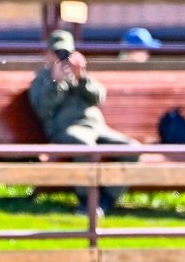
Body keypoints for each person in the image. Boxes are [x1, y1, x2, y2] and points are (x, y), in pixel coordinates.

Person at [28, 30, 137, 216]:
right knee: (85, 147)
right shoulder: (42, 79)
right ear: (47, 54)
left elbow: (98, 97)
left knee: (132, 148)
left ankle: (105, 200)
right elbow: (42, 108)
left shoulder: (80, 75)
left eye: (66, 53)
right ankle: (87, 201)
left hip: (97, 128)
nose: (62, 58)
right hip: (66, 130)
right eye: (57, 53)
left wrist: (81, 78)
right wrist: (57, 82)